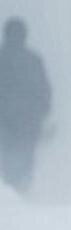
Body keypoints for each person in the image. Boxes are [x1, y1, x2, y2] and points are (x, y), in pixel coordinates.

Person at [0, 17, 52, 193]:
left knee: (7, 155)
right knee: (26, 154)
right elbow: (44, 89)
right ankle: (23, 187)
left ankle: (10, 188)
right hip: (28, 120)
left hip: (5, 120)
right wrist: (43, 111)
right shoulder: (33, 60)